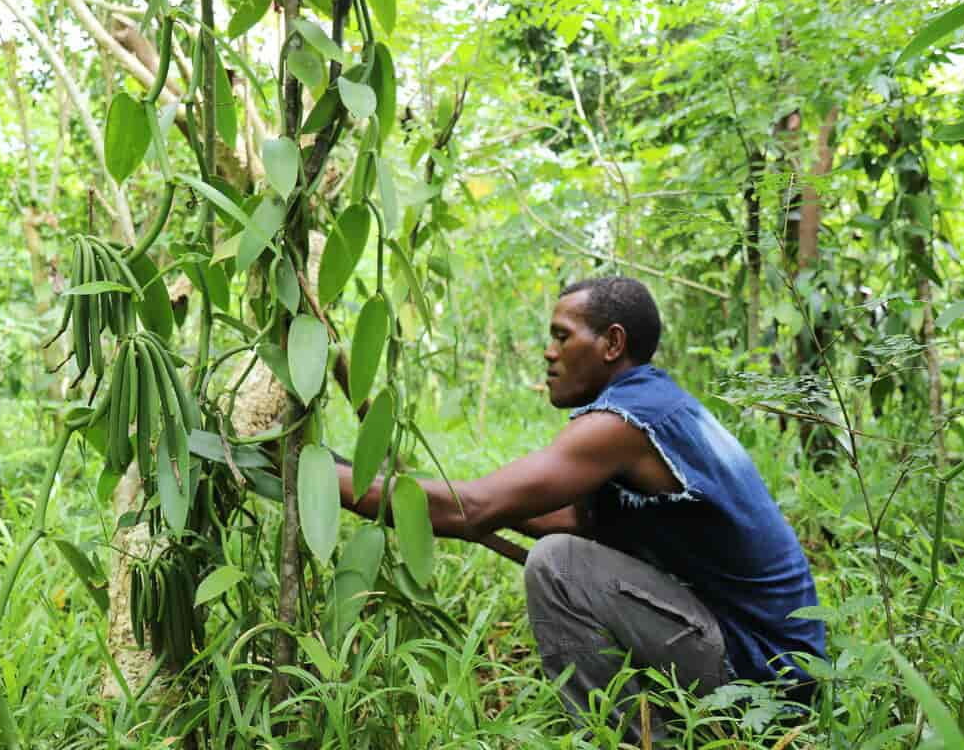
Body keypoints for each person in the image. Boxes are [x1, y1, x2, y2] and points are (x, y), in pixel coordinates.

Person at [334, 276, 826, 743]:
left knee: (558, 566)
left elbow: (476, 509)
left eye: (562, 337)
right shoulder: (652, 405)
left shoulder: (626, 422)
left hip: (766, 677)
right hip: (771, 662)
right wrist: (352, 475)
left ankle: (628, 741)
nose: (548, 353)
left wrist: (314, 479)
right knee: (564, 550)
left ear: (612, 344)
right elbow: (571, 520)